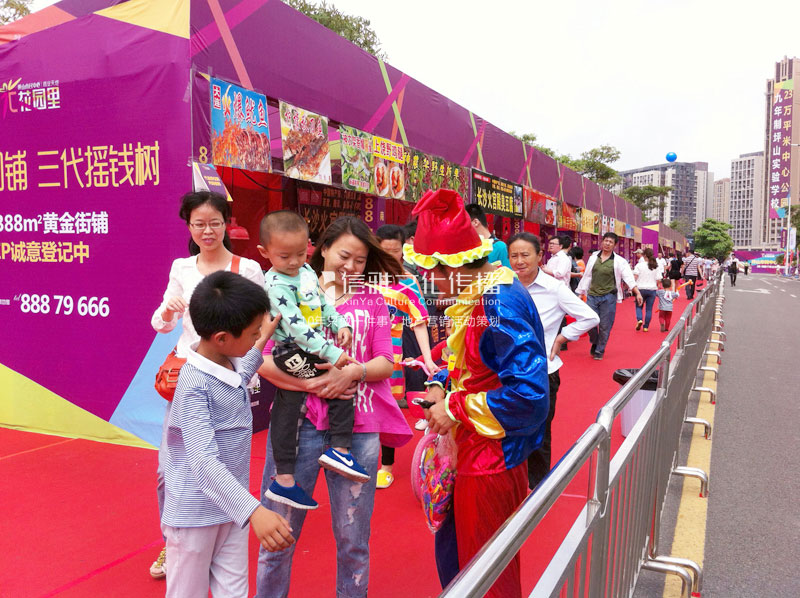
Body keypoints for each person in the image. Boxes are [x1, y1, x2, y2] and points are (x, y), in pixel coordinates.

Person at [255, 216, 412, 598]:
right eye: (344, 256)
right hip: (297, 428)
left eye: (360, 260)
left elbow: (386, 361)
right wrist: (311, 384)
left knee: (353, 540)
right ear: (323, 248)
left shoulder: (373, 300)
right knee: (277, 537)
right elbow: (261, 357)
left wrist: (354, 373)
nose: (351, 266)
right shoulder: (284, 289)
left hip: (358, 432)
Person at [405, 189, 549, 598]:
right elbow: (477, 362)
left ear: (450, 267)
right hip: (475, 449)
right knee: (462, 558)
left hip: (490, 459)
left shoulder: (497, 302)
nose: (431, 284)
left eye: (431, 273)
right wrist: (442, 383)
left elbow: (530, 397)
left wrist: (454, 407)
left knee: (486, 573)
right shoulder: (485, 291)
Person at [150, 191, 265, 579]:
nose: (207, 231)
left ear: (227, 224)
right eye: (199, 224)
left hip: (231, 378)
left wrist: (251, 364)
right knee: (168, 470)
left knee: (224, 462)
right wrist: (168, 311)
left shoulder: (247, 269)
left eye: (215, 223)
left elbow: (260, 325)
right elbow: (160, 323)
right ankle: (173, 539)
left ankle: (226, 530)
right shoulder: (181, 268)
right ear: (188, 226)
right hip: (188, 376)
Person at [161, 271, 293, 598]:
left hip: (232, 508)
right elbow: (204, 463)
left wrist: (262, 337)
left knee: (234, 592)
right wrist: (254, 511)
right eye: (253, 332)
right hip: (194, 514)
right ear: (222, 338)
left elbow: (243, 370)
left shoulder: (226, 364)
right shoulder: (194, 385)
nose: (258, 336)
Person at [257, 211, 364, 512]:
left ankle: (330, 454)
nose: (293, 261)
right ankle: (297, 471)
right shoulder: (275, 285)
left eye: (300, 253)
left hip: (310, 349)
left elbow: (324, 305)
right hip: (290, 351)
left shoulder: (305, 271)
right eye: (284, 256)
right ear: (265, 252)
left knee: (327, 386)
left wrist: (341, 324)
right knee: (329, 384)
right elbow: (297, 329)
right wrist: (332, 353)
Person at [508, 232, 599, 490]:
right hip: (505, 372)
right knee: (507, 429)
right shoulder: (503, 285)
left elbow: (590, 317)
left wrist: (562, 337)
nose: (519, 261)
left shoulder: (554, 288)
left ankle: (538, 489)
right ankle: (510, 483)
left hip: (542, 372)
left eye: (525, 255)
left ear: (539, 256)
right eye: (514, 256)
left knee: (539, 432)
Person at [374, 224, 439, 487]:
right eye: (385, 251)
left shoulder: (408, 281)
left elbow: (419, 322)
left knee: (385, 409)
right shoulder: (361, 277)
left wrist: (428, 358)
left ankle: (386, 465)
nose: (391, 256)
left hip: (390, 355)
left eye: (396, 251)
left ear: (403, 250)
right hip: (358, 353)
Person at [576, 232, 643, 361]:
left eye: (610, 242)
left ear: (614, 245)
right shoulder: (593, 257)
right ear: (602, 242)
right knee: (588, 322)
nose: (607, 243)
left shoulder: (619, 261)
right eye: (606, 240)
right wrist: (581, 293)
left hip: (608, 297)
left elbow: (628, 277)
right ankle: (595, 341)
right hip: (592, 295)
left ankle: (599, 350)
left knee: (605, 325)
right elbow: (587, 276)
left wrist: (637, 292)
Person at [465, 203, 510, 267]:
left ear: (475, 222)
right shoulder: (469, 249)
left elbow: (508, 272)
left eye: (464, 224)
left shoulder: (500, 247)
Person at [633, 248, 661, 331]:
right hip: (652, 289)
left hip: (640, 289)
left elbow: (635, 277)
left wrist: (632, 286)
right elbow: (659, 279)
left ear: (644, 255)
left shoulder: (639, 265)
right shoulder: (655, 266)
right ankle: (646, 327)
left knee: (639, 306)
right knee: (649, 309)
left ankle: (639, 319)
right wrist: (657, 285)